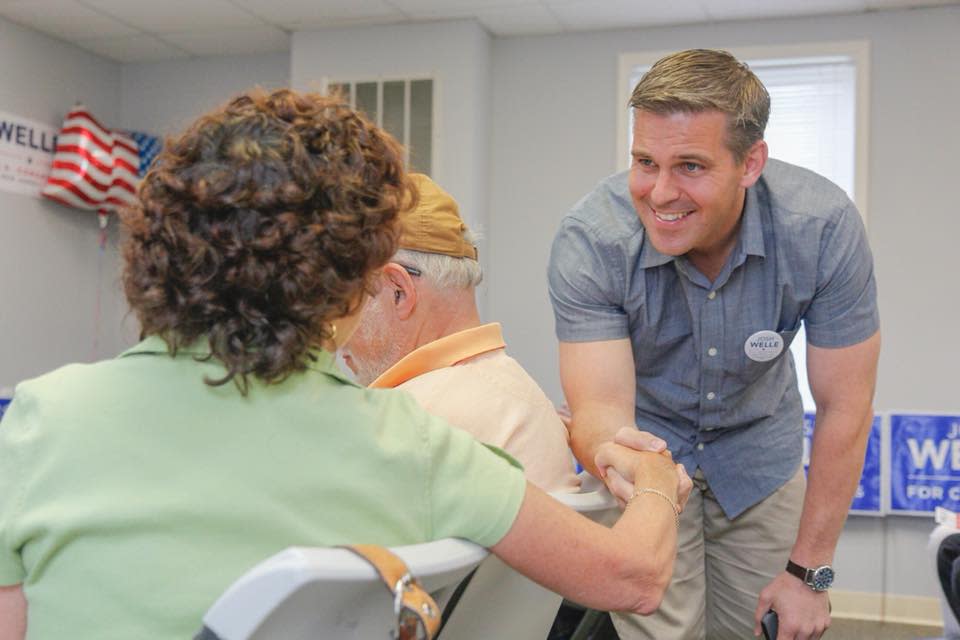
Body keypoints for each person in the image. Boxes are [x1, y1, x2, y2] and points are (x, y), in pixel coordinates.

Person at [0, 88, 690, 640]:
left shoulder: (37, 421)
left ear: (156, 246)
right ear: (353, 278)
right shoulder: (416, 446)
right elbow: (634, 577)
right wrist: (654, 471)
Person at [548, 49, 880, 640]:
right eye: (645, 161)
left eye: (691, 167)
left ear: (750, 163)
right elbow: (601, 410)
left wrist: (810, 573)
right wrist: (627, 470)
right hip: (648, 461)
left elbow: (845, 407)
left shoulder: (821, 229)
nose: (660, 192)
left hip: (758, 460)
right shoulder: (594, 239)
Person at [341, 173, 579, 493]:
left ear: (399, 291)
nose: (337, 334)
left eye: (344, 301)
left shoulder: (405, 420)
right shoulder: (522, 395)